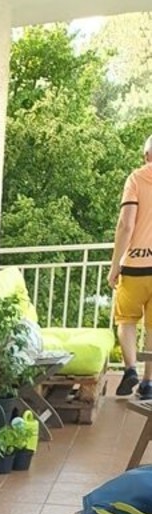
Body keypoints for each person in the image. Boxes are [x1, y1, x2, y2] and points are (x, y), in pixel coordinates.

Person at [110, 132, 152, 399]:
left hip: (135, 266)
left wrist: (115, 266)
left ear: (146, 155)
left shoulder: (136, 178)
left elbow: (126, 224)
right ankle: (149, 384)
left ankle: (130, 370)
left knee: (126, 320)